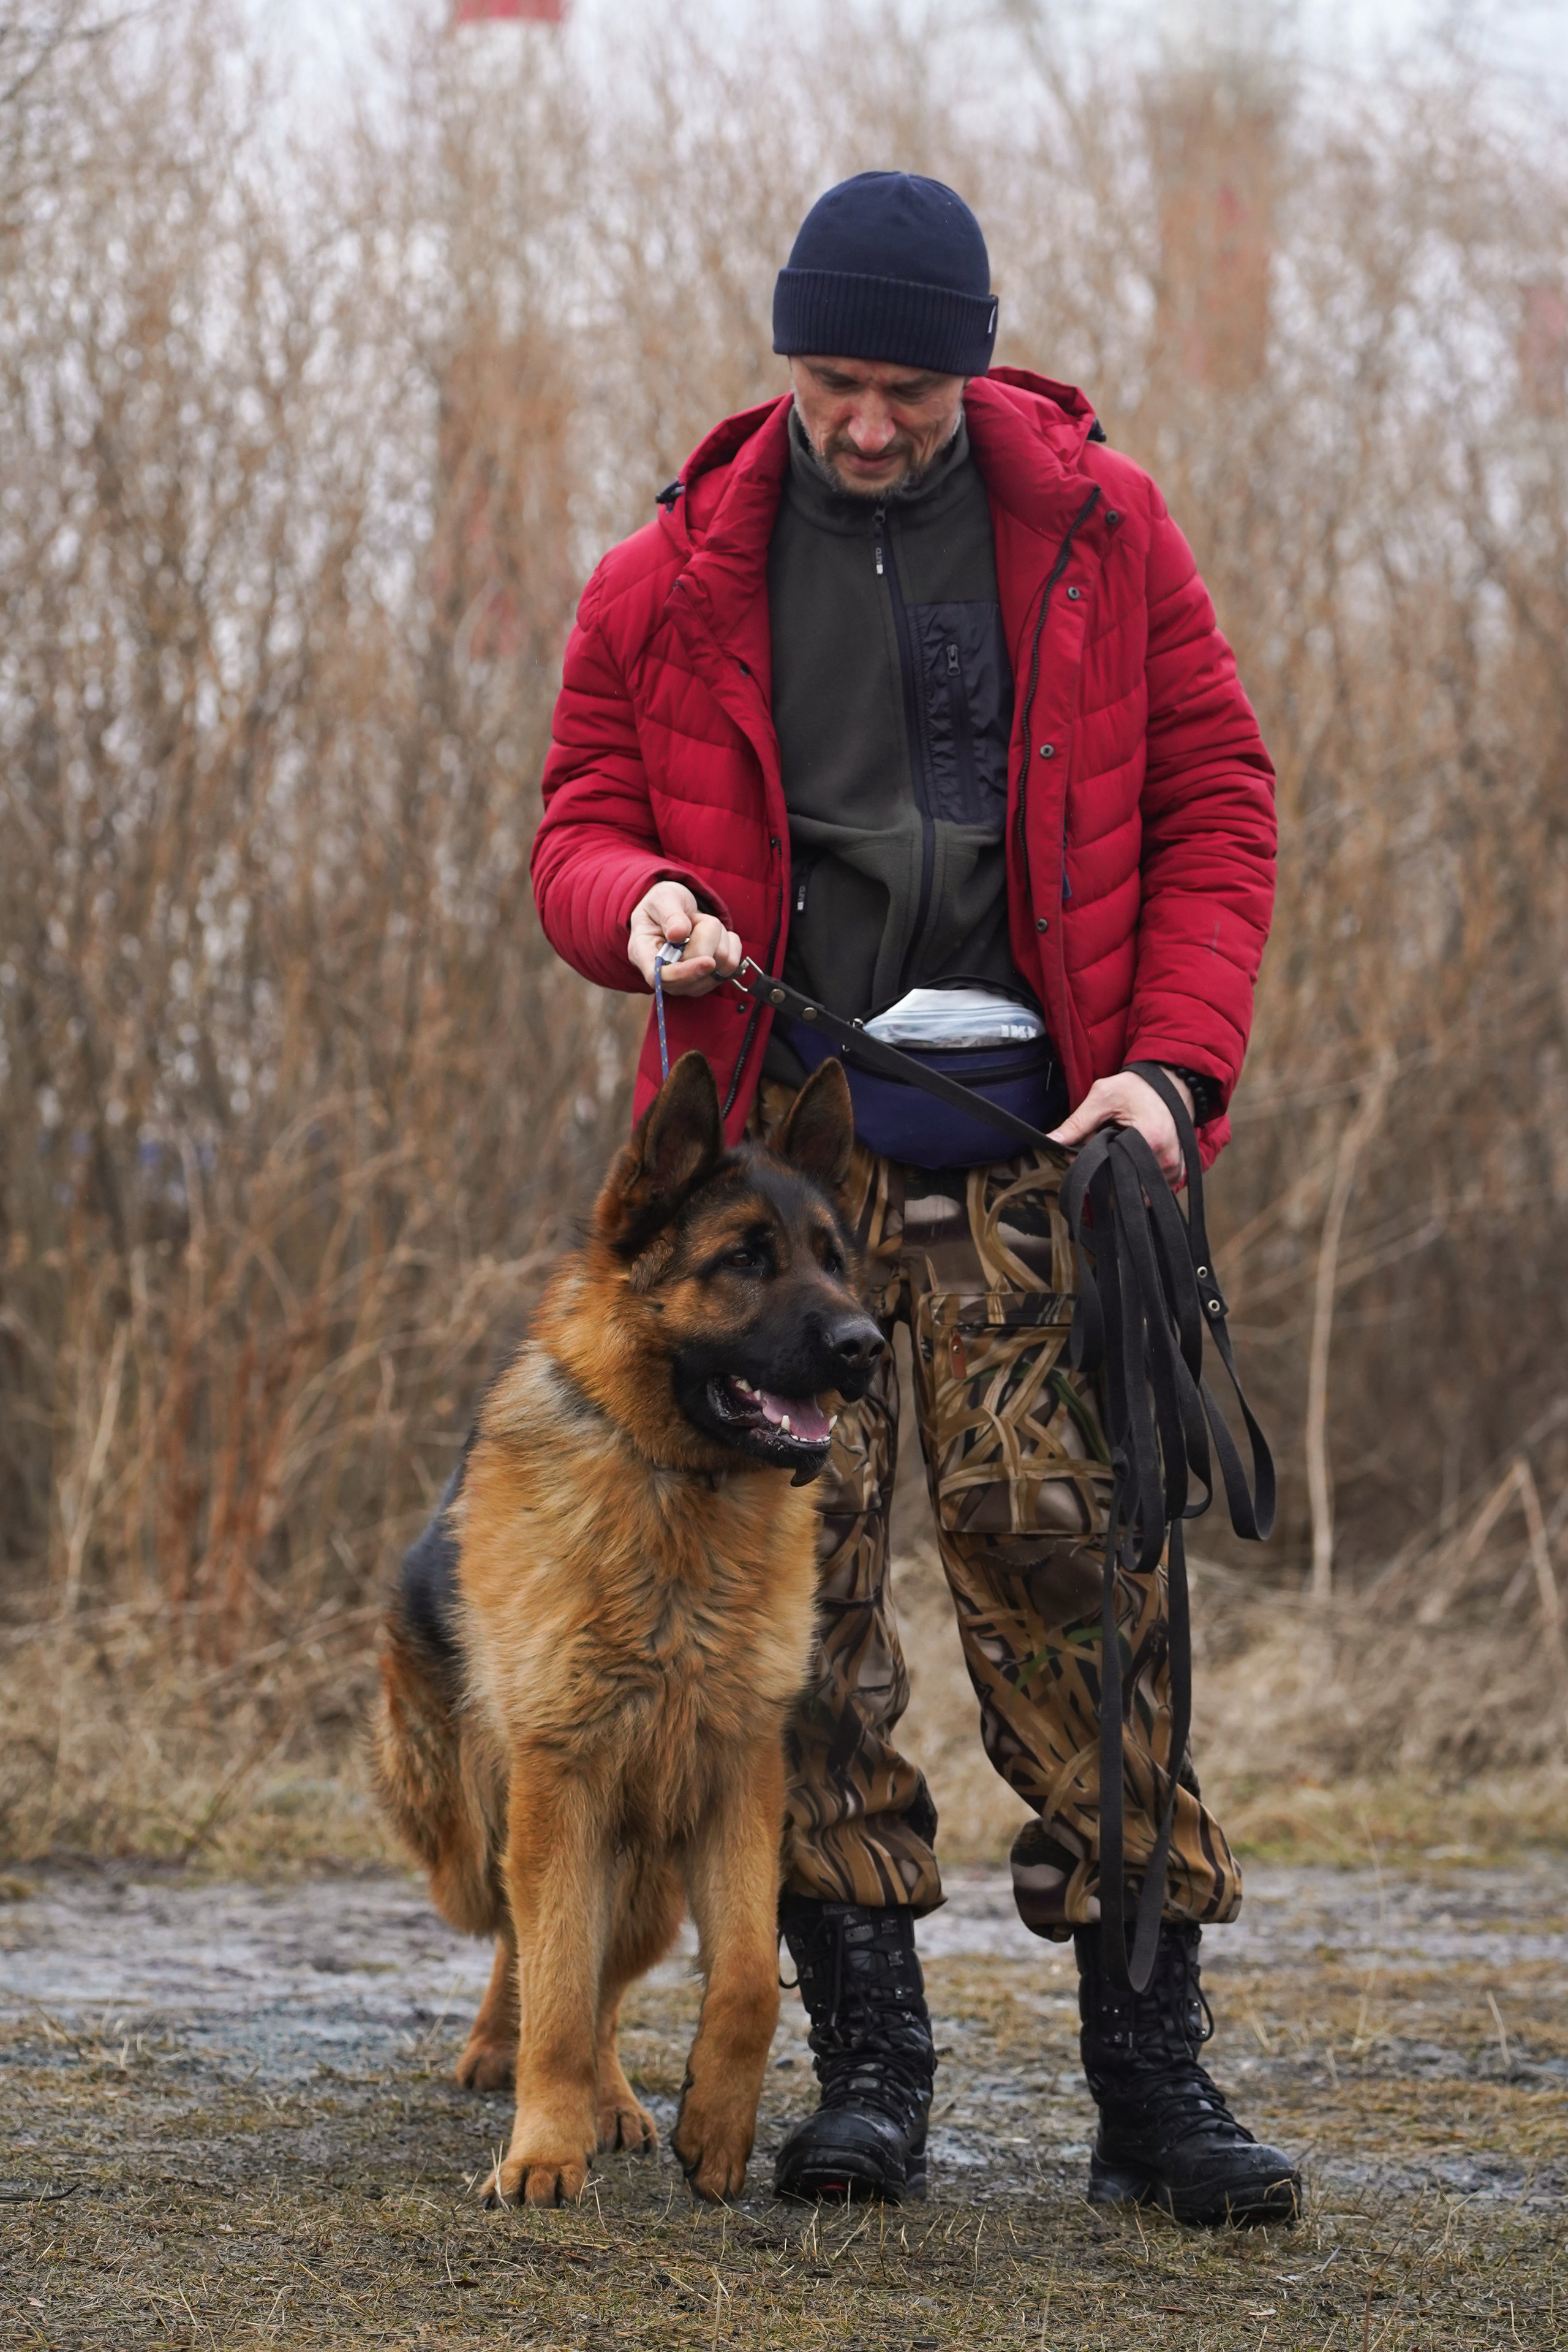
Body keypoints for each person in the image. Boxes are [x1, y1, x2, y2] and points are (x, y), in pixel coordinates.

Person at [531, 171, 1296, 2225]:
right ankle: (869, 2072)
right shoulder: (663, 580)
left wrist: (1171, 1073)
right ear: (789, 361)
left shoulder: (1107, 539)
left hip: (1053, 1162)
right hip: (780, 1192)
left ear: (974, 369)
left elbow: (1219, 802)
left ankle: (1152, 2088)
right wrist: (644, 904)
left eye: (910, 390)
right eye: (835, 384)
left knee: (1086, 1594)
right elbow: (578, 827)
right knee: (803, 1625)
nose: (869, 423)